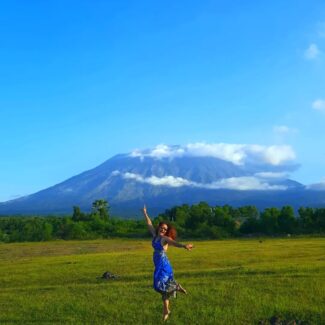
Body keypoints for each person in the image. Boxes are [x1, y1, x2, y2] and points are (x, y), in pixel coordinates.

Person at [142, 205, 194, 321]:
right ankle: (166, 309)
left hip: (164, 265)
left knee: (160, 286)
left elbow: (173, 242)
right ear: (159, 227)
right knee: (162, 288)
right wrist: (145, 213)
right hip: (159, 265)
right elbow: (149, 224)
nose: (163, 230)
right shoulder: (155, 236)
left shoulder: (164, 239)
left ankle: (175, 287)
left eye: (165, 229)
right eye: (162, 228)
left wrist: (184, 246)